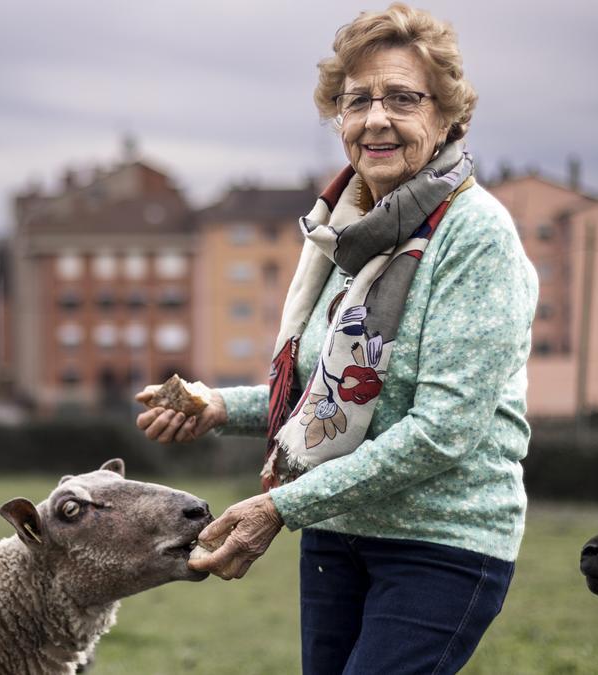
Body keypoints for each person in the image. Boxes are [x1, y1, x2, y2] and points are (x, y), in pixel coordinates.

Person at [135, 4, 538, 673]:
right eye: (358, 101)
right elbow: (334, 391)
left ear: (447, 116)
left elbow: (443, 431)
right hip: (337, 533)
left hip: (440, 542)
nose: (376, 117)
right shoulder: (347, 233)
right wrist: (217, 407)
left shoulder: (477, 235)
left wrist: (283, 504)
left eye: (404, 98)